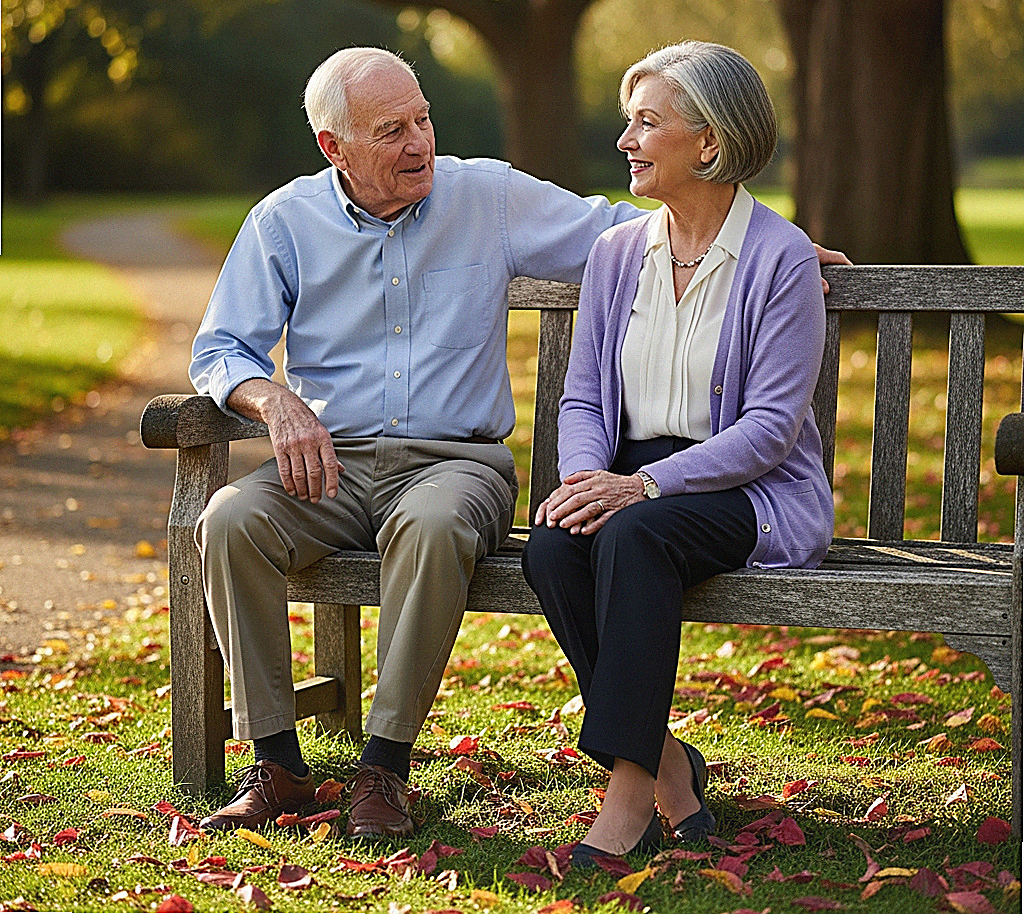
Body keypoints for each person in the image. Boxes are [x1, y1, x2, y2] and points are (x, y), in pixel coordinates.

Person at [189, 46, 846, 839]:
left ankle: (384, 769)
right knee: (226, 519)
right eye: (392, 131)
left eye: (424, 120)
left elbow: (631, 225)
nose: (419, 144)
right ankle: (279, 764)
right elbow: (220, 348)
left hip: (452, 464)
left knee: (438, 527)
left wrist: (773, 244)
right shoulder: (285, 221)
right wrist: (272, 401)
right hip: (330, 461)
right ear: (335, 147)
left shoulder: (486, 196)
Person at [521, 41, 835, 869]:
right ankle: (668, 767)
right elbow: (583, 398)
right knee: (555, 543)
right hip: (631, 474)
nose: (626, 139)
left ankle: (628, 799)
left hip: (748, 488)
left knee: (633, 535)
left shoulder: (780, 259)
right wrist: (591, 480)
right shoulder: (618, 254)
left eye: (647, 121)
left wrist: (645, 485)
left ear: (711, 142)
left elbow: (770, 431)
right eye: (630, 121)